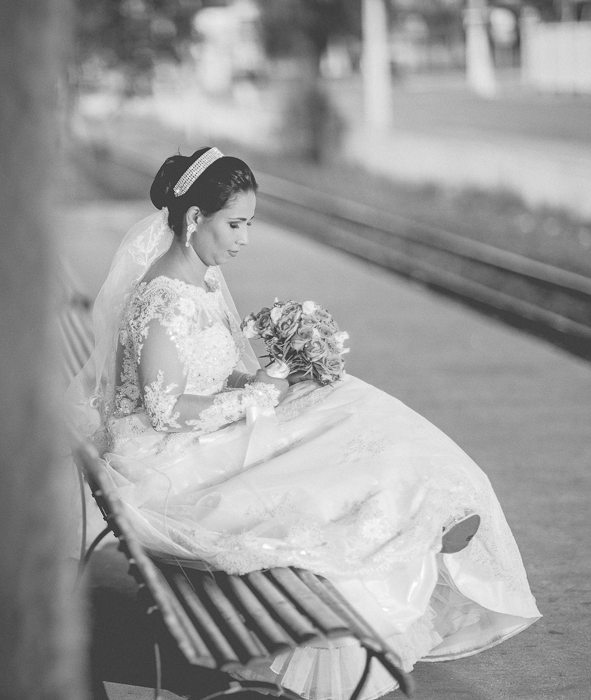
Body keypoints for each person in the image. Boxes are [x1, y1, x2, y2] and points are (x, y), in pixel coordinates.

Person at [66, 147, 540, 700]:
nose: (244, 238)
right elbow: (166, 409)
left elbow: (208, 377)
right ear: (195, 219)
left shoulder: (204, 278)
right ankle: (408, 510)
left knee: (340, 399)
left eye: (250, 224)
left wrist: (259, 381)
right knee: (330, 442)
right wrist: (256, 398)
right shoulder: (167, 300)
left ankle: (421, 502)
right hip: (172, 460)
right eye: (235, 224)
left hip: (205, 434)